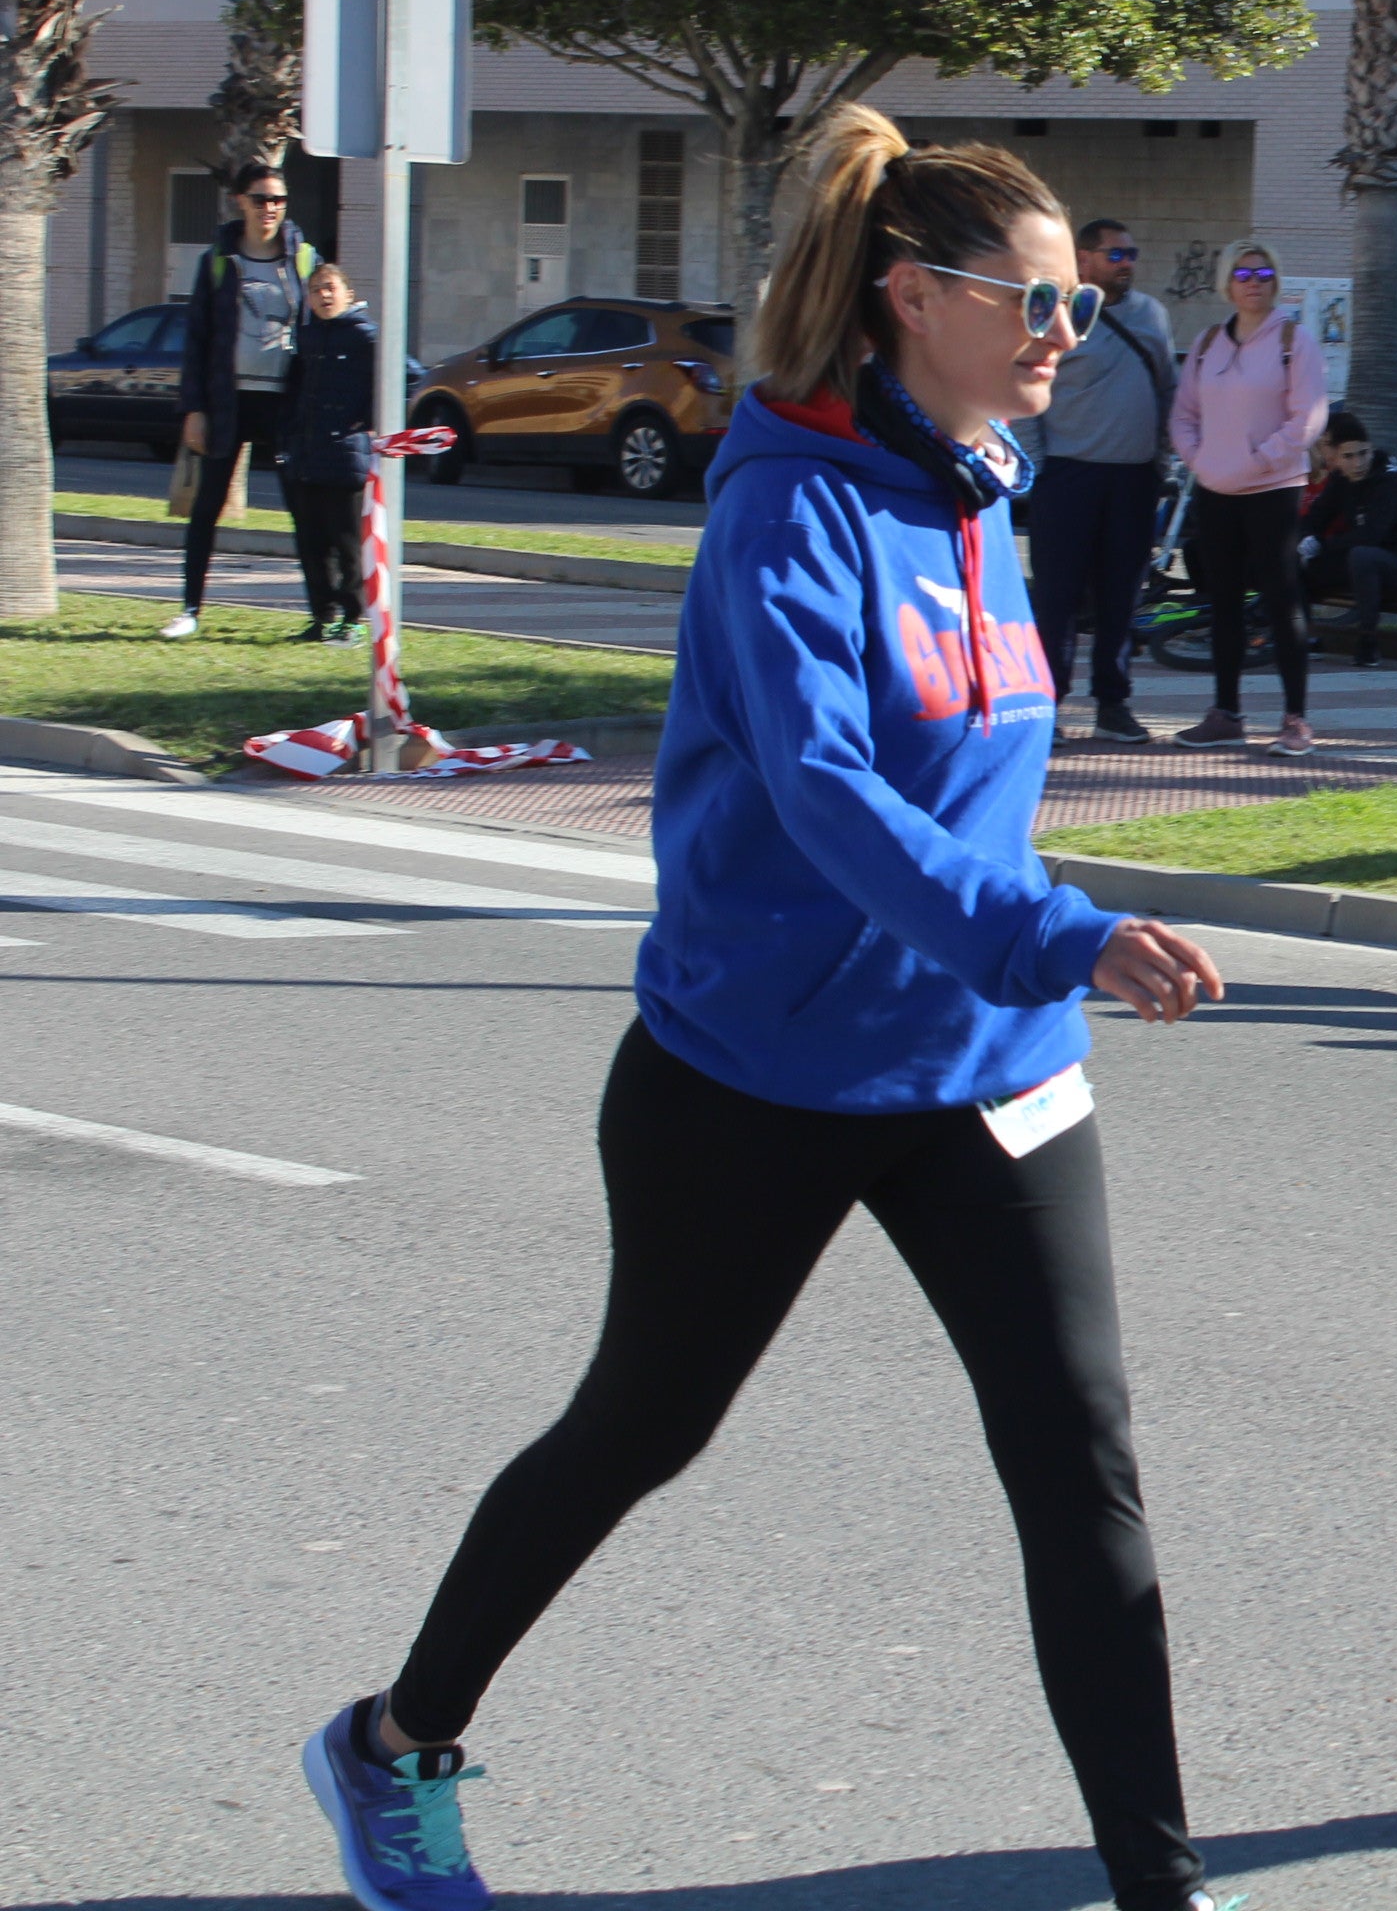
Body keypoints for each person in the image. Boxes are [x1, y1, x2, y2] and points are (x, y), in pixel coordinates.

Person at [296, 107, 1243, 1911]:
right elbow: (828, 795)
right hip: (755, 1066)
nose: (1068, 330)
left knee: (1080, 1462)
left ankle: (1159, 1885)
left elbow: (958, 783)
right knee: (643, 1423)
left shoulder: (982, 490)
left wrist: (1024, 956)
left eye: (1076, 300)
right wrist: (1059, 927)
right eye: (1030, 300)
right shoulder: (786, 507)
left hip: (982, 1069)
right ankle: (395, 1735)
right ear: (910, 295)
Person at [1017, 216, 1177, 743]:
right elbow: (1027, 396)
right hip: (1068, 477)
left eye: (1130, 253)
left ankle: (1113, 704)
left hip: (1134, 479)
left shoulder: (1152, 313)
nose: (1126, 262)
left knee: (1121, 597)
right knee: (1058, 597)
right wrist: (1041, 467)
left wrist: (1160, 461)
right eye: (1115, 254)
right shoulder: (1056, 315)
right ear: (1083, 259)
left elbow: (1168, 391)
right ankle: (1048, 705)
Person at [1170, 239, 1326, 755]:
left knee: (1282, 601)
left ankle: (1296, 720)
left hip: (1272, 490)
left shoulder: (1293, 339)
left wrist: (1259, 460)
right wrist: (1202, 460)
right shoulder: (1209, 341)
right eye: (1242, 273)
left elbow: (1307, 417)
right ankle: (1225, 713)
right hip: (1216, 491)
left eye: (1262, 273)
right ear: (1226, 282)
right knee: (1224, 603)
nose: (1253, 281)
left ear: (1275, 281)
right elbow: (1184, 414)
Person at [165, 163, 319, 640]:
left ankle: (323, 615)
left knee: (303, 506)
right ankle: (189, 610)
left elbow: (321, 324)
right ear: (240, 201)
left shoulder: (305, 259)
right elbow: (197, 338)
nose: (269, 209)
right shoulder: (217, 260)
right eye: (259, 199)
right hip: (227, 400)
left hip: (284, 405)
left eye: (278, 200)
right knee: (206, 506)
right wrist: (194, 408)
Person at [278, 262, 420, 643]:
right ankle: (320, 617)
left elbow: (410, 374)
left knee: (348, 546)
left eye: (330, 288)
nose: (323, 296)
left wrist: (373, 417)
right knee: (311, 545)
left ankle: (352, 619)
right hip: (306, 457)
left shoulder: (365, 337)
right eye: (316, 290)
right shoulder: (307, 338)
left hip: (346, 458)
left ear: (349, 295)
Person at [1296, 407, 1397, 666]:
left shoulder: (1388, 484)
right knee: (1293, 560)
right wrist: (1307, 538)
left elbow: (1372, 535)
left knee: (1362, 555)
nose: (1358, 463)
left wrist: (1322, 544)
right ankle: (1306, 638)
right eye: (1348, 456)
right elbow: (1315, 517)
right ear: (1339, 457)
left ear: (1371, 449)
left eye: (1363, 453)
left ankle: (1368, 641)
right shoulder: (1341, 480)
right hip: (1360, 563)